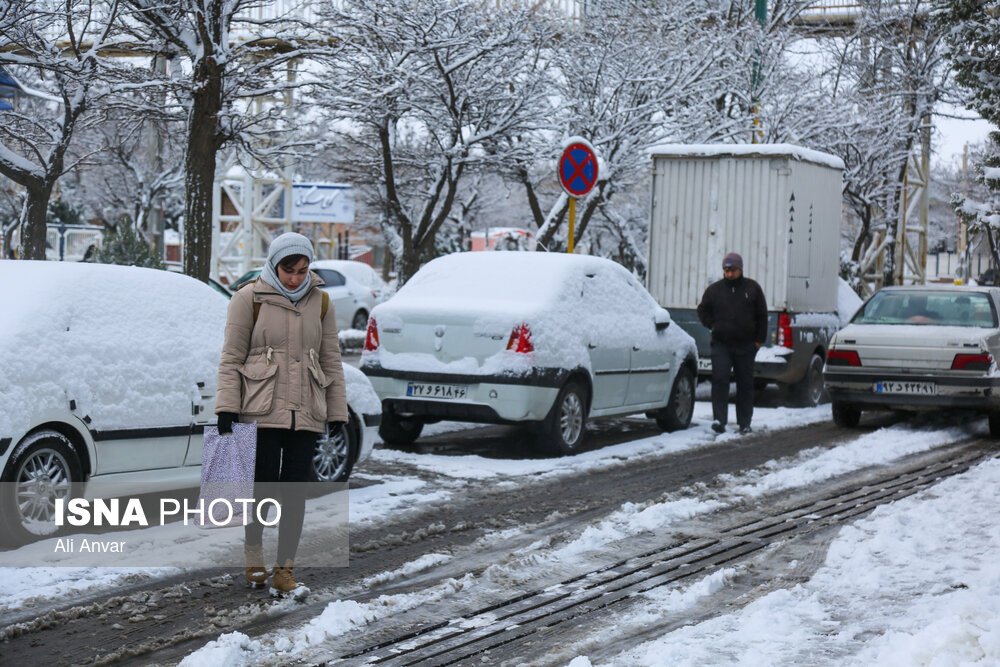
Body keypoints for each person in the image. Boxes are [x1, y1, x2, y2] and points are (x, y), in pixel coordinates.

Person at [215, 232, 348, 598]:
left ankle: (285, 570)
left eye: (303, 270)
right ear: (274, 266)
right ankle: (253, 554)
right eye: (289, 270)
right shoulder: (248, 298)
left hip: (306, 410)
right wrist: (226, 406)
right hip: (260, 408)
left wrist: (337, 411)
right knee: (263, 490)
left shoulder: (321, 302)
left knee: (295, 493)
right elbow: (231, 357)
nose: (295, 278)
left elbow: (330, 359)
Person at [696, 252, 767, 435]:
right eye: (726, 270)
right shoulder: (714, 290)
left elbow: (762, 316)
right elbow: (702, 310)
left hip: (746, 346)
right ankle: (719, 419)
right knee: (720, 381)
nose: (729, 274)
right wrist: (712, 326)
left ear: (740, 269)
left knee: (745, 384)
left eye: (733, 270)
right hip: (721, 345)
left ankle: (745, 422)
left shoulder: (752, 289)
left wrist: (758, 341)